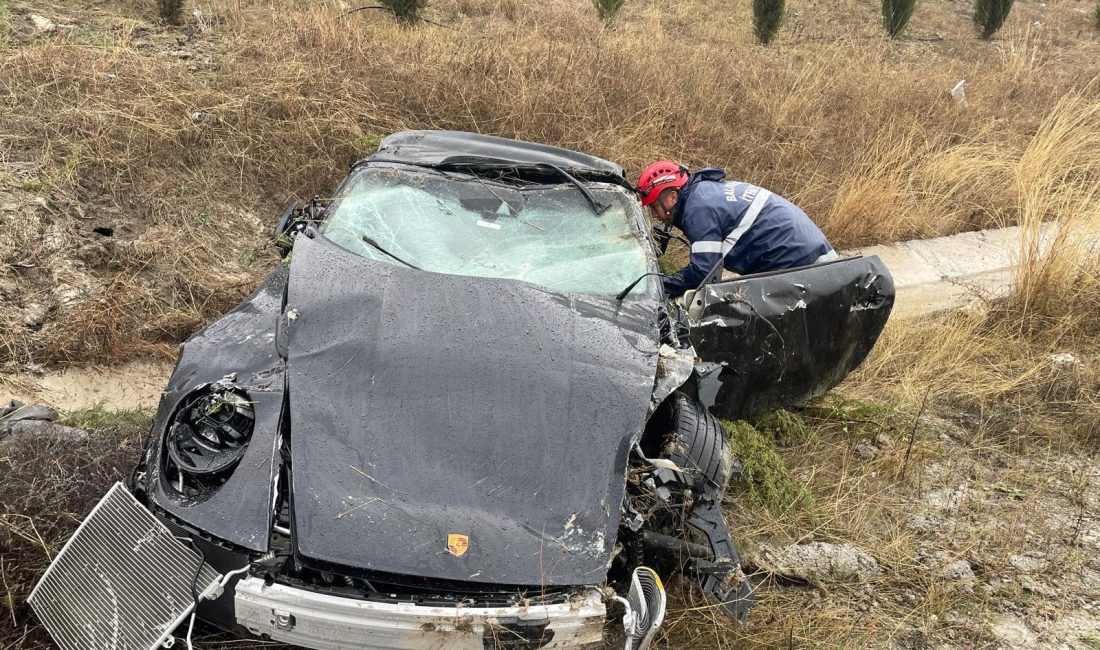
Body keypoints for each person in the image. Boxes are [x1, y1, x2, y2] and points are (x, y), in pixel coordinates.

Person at [637, 161, 837, 298]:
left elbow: (702, 274)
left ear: (672, 197)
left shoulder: (698, 209)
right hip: (812, 253)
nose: (655, 215)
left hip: (801, 263)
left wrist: (657, 287)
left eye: (654, 206)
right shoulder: (705, 192)